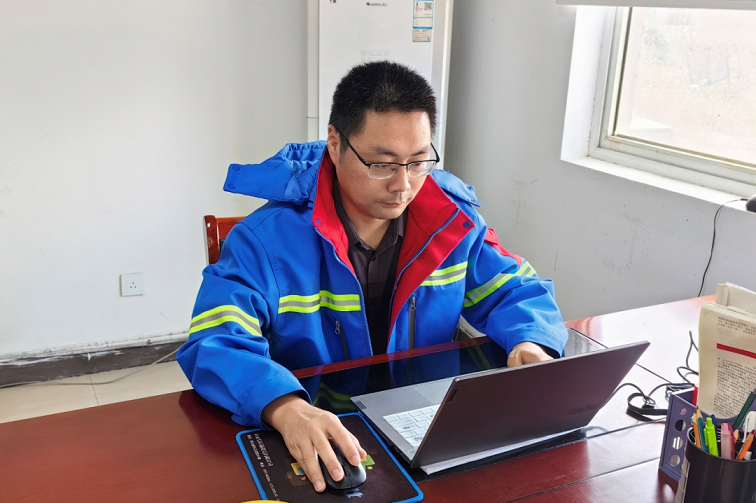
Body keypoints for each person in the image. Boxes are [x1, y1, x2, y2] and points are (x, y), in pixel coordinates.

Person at [177, 61, 568, 493]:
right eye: (382, 164)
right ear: (335, 143)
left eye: (418, 162)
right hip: (319, 431)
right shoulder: (265, 241)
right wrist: (284, 407)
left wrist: (531, 342)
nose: (403, 185)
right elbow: (216, 340)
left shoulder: (452, 223)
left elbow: (518, 290)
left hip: (425, 429)